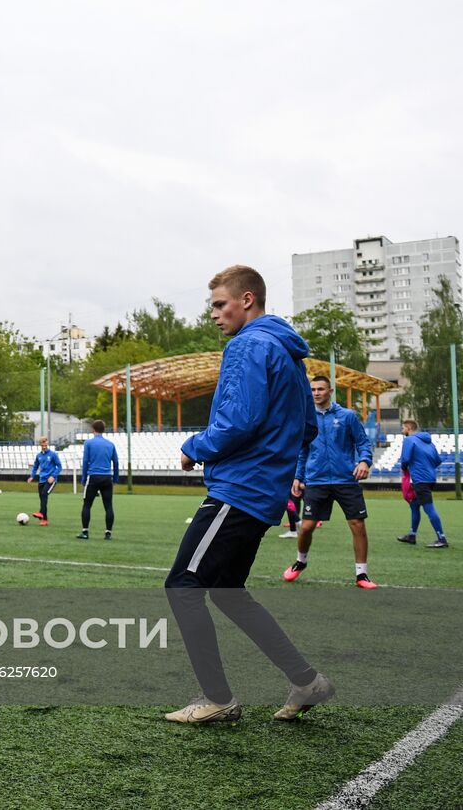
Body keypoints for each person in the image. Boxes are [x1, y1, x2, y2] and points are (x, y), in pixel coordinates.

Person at [166, 264, 333, 724]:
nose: (215, 315)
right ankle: (306, 680)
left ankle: (217, 699)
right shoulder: (288, 352)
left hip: (239, 489)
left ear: (246, 300)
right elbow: (308, 427)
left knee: (182, 587)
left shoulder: (248, 345)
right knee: (226, 592)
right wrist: (281, 468)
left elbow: (238, 422)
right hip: (265, 493)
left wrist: (193, 448)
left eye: (220, 305)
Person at [282, 375, 376, 589]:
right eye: (313, 389)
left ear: (330, 391)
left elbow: (363, 443)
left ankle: (361, 575)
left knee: (357, 525)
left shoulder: (347, 416)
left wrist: (364, 461)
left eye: (321, 389)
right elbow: (302, 452)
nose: (316, 393)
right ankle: (300, 562)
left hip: (346, 479)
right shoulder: (307, 419)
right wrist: (298, 476)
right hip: (316, 480)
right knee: (306, 527)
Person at [397, 420, 448, 548]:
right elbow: (437, 460)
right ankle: (412, 535)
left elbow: (405, 459)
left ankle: (442, 538)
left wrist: (404, 468)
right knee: (414, 506)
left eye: (403, 428)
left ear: (408, 428)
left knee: (428, 508)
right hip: (430, 478)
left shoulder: (409, 440)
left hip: (420, 479)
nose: (402, 430)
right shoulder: (428, 442)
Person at [78, 421, 118, 539]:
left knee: (87, 505)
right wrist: (115, 478)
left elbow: (85, 461)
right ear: (104, 429)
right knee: (108, 506)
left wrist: (84, 478)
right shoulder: (110, 444)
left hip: (93, 477)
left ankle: (85, 532)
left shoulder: (88, 443)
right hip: (107, 477)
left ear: (93, 429)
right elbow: (115, 462)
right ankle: (108, 533)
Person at [27, 436, 61, 526]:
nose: (44, 447)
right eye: (43, 445)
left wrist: (53, 476)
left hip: (51, 480)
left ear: (47, 444)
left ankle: (41, 512)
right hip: (41, 480)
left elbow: (59, 466)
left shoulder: (53, 454)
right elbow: (35, 467)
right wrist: (32, 476)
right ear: (40, 445)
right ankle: (45, 520)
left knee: (44, 494)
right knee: (42, 499)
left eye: (46, 445)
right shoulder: (39, 456)